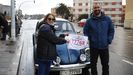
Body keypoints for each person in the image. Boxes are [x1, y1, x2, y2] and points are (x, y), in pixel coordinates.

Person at [83, 4, 115, 75]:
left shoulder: (107, 19)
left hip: (104, 46)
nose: (96, 9)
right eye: (95, 8)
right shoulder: (89, 21)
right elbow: (85, 31)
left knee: (105, 65)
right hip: (94, 47)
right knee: (93, 65)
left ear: (100, 8)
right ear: (93, 9)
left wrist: (108, 40)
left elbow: (111, 30)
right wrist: (89, 38)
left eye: (98, 7)